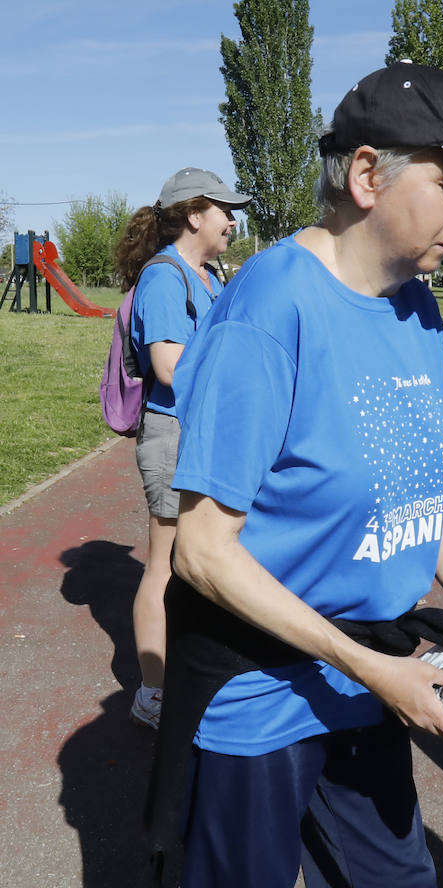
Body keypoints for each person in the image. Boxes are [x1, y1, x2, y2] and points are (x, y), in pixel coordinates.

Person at [163, 62, 443, 886]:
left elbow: (415, 476)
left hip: (368, 671)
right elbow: (202, 553)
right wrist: (370, 668)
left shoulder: (416, 303)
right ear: (368, 174)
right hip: (260, 692)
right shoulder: (270, 309)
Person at [113, 167, 253, 729]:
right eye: (224, 209)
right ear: (194, 214)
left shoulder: (207, 274)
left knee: (205, 559)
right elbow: (170, 366)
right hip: (174, 435)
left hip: (203, 432)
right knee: (167, 566)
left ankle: (195, 671)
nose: (232, 219)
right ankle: (153, 691)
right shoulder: (165, 278)